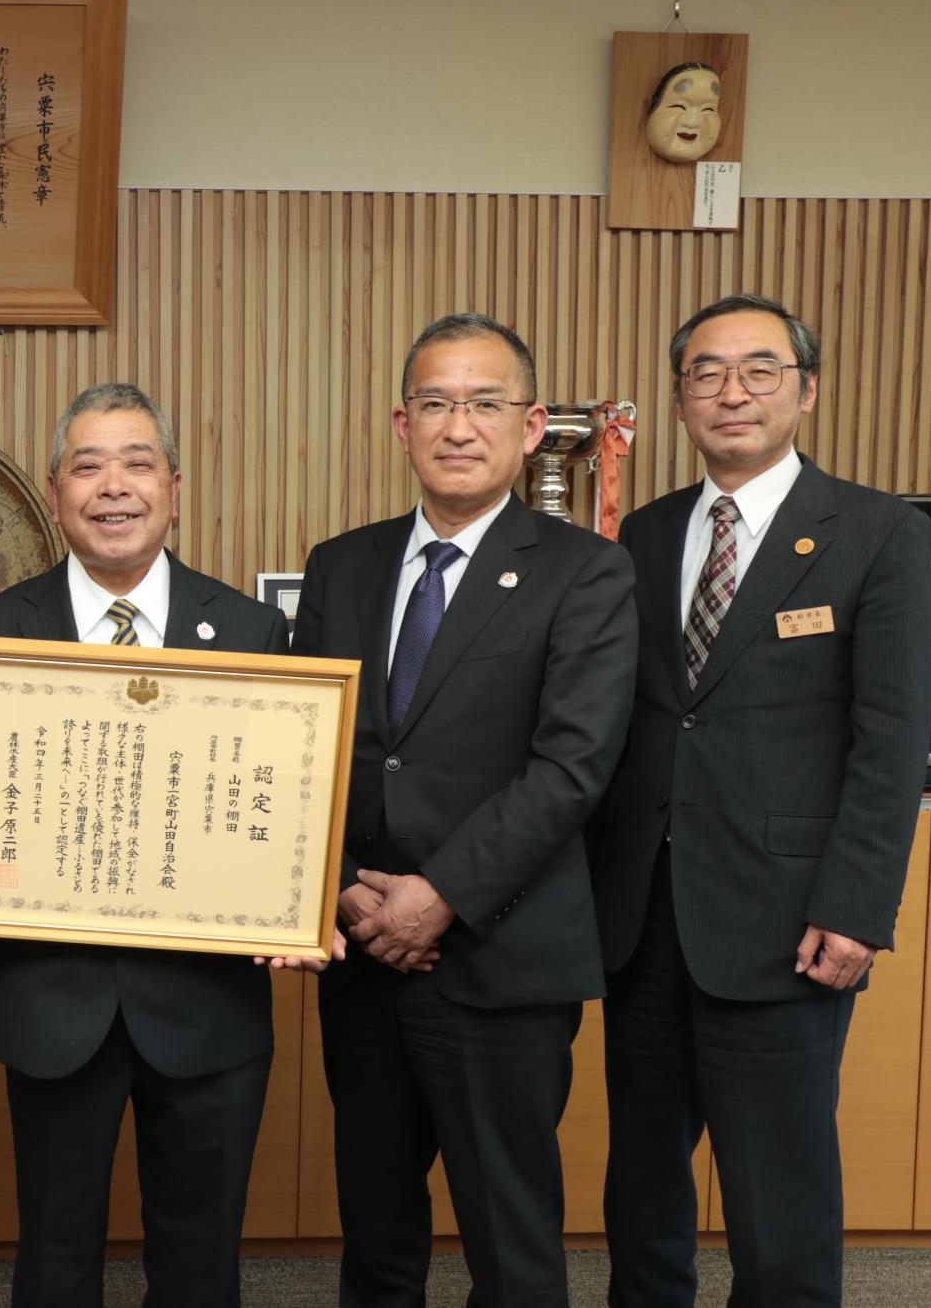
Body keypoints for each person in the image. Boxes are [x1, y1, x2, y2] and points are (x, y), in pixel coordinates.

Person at [0, 382, 299, 1307]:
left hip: (209, 1005)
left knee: (202, 1265)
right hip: (53, 1004)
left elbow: (281, 803)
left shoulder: (252, 631)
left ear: (174, 484)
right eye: (88, 465)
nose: (112, 486)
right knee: (54, 1258)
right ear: (55, 492)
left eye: (136, 464)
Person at [592, 293, 931, 1307]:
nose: (730, 391)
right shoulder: (642, 535)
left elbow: (889, 737)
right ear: (678, 398)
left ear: (806, 389)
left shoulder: (876, 533)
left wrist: (855, 906)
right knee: (640, 1187)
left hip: (788, 919)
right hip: (642, 916)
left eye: (758, 369)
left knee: (775, 1202)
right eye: (704, 371)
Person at [292, 313, 638, 1306]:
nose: (458, 425)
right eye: (436, 403)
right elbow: (309, 750)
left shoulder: (586, 570)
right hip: (361, 958)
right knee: (374, 1235)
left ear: (530, 428)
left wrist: (436, 895)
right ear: (400, 424)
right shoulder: (340, 564)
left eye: (483, 404)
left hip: (501, 957)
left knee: (511, 1241)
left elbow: (571, 767)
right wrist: (349, 897)